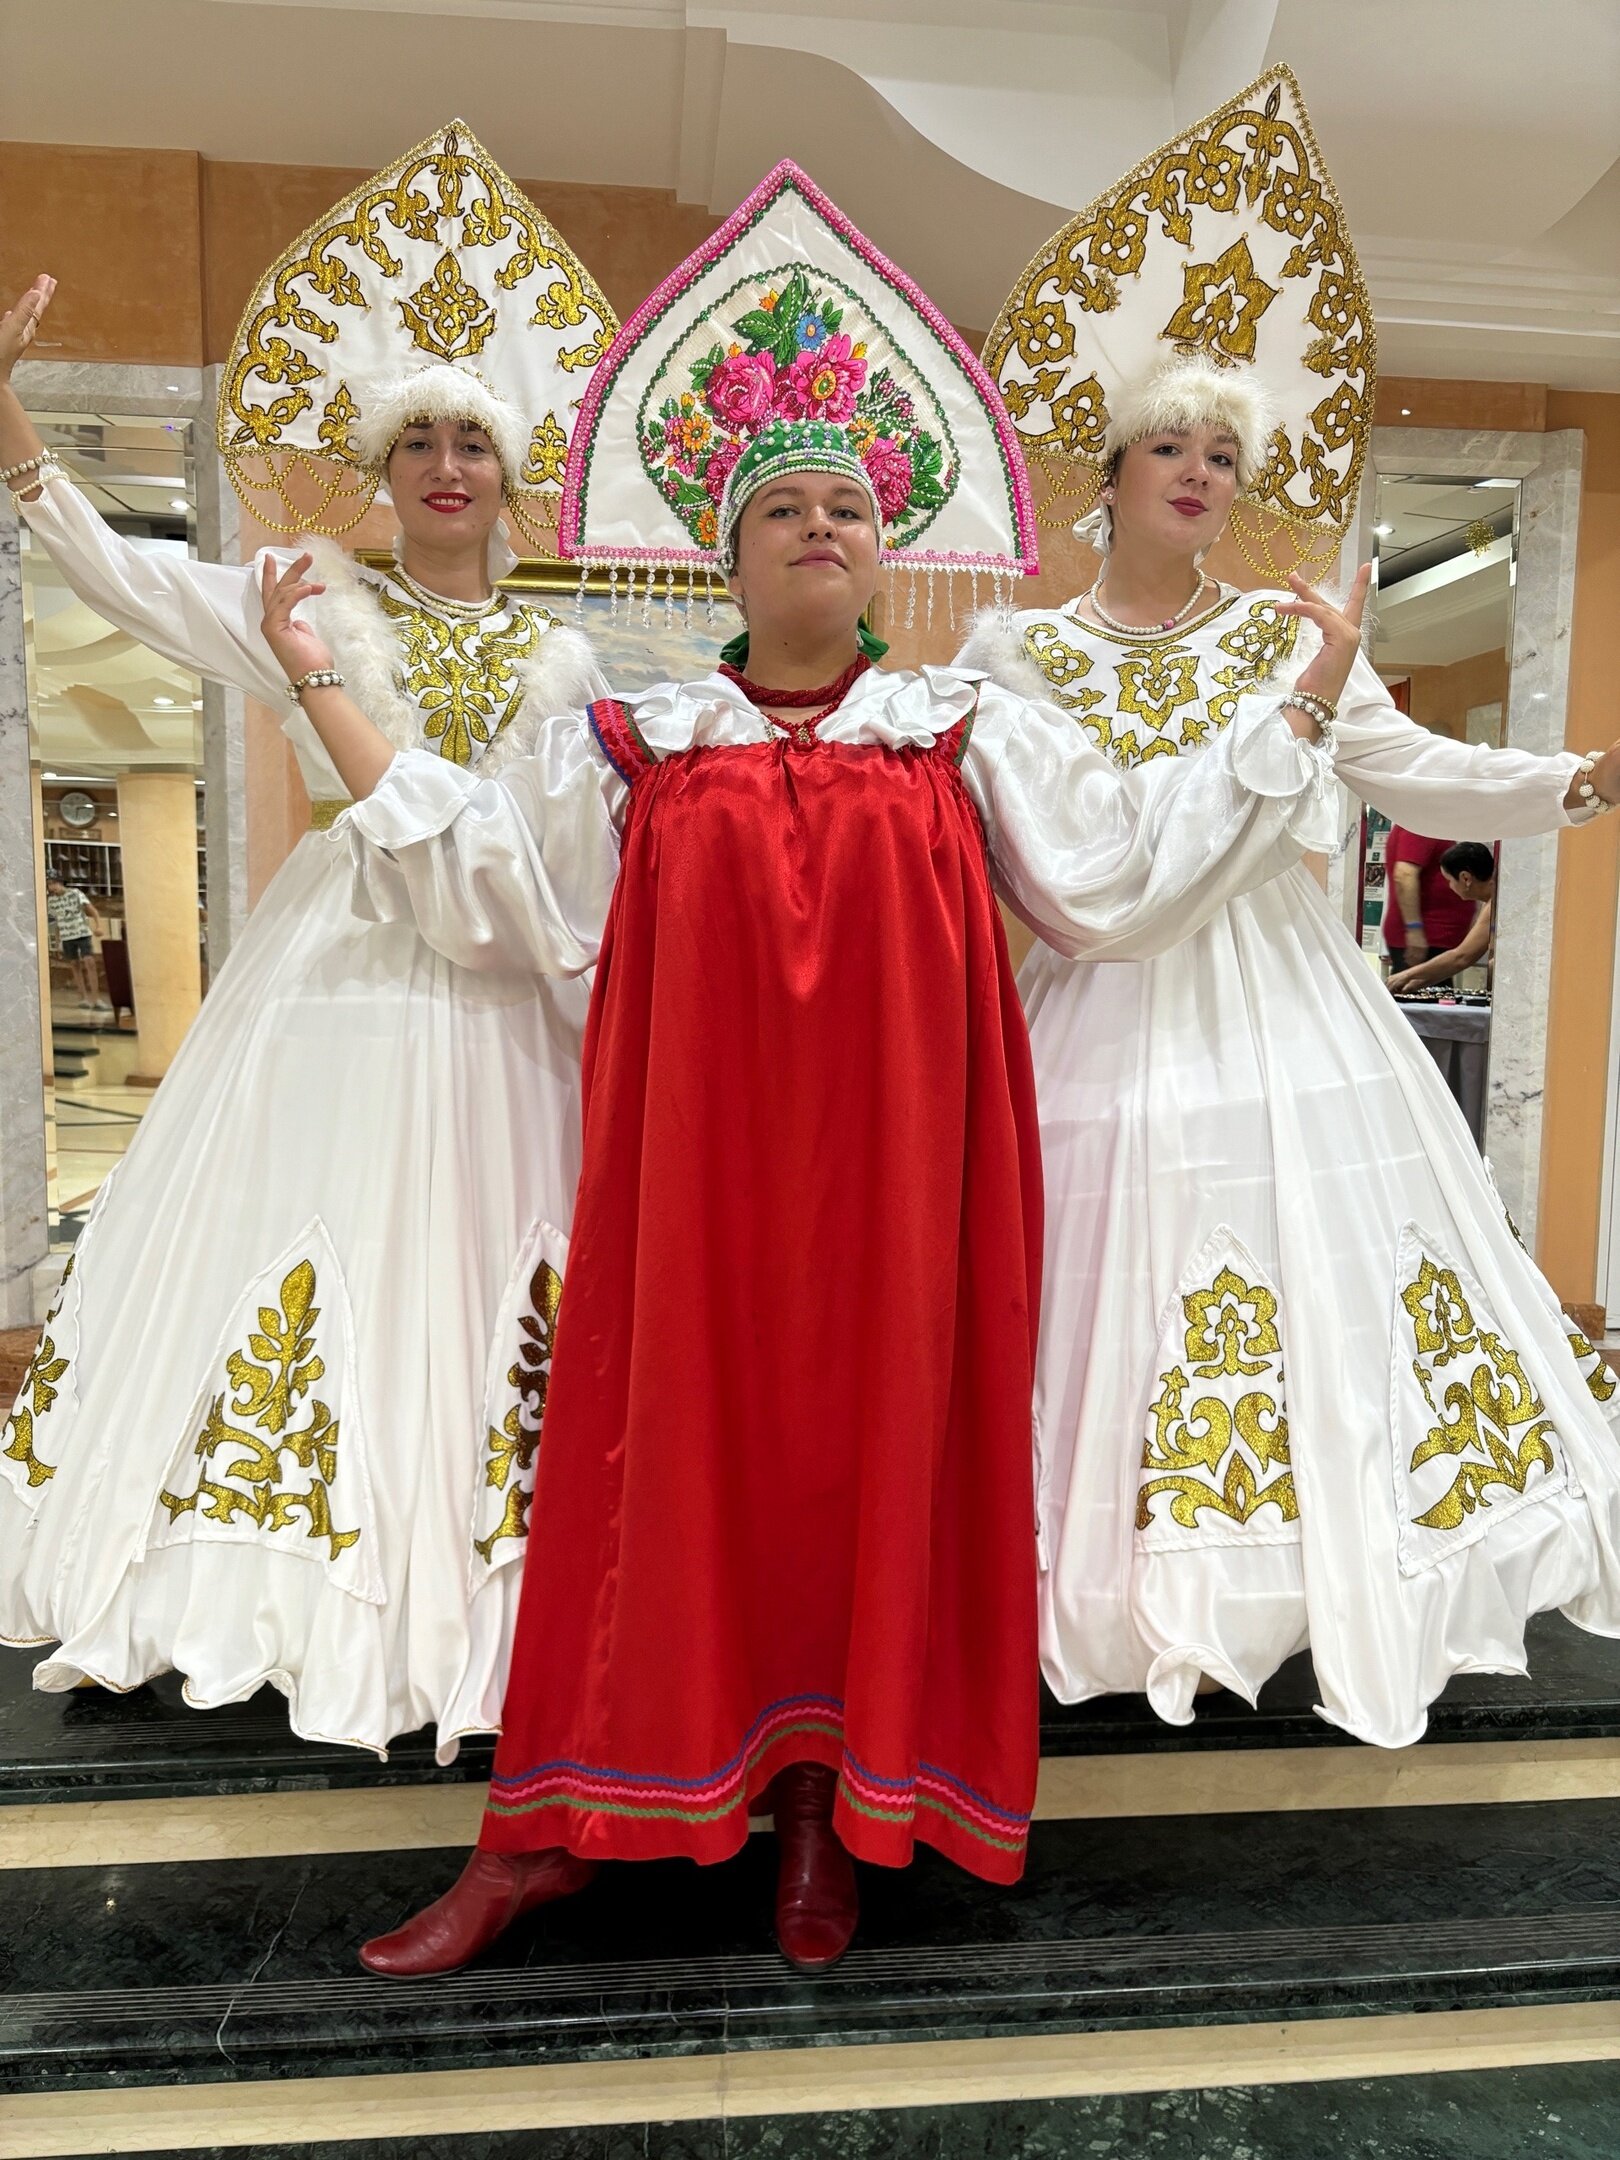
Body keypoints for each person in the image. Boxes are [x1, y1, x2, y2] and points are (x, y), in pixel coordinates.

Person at [248, 159, 1337, 1976]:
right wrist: (317, 684)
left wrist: (1303, 702)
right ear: (728, 553)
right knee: (648, 1480)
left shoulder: (966, 730)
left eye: (850, 506)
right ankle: (549, 1834)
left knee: (870, 1477)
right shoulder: (639, 740)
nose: (820, 526)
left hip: (904, 1197)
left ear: (886, 552)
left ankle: (828, 1808)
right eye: (784, 507)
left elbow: (1125, 883)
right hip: (696, 1197)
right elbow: (491, 879)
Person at [965, 64, 1620, 1750]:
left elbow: (1412, 768)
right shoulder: (1015, 655)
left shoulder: (1285, 635)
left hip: (1279, 998)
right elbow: (1062, 868)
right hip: (1098, 1011)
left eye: (1224, 453)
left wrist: (1576, 780)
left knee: (1318, 1273)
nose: (1200, 471)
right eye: (1169, 445)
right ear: (1107, 470)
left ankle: (1303, 1571)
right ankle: (1090, 1576)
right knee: (1093, 1276)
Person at [0, 123, 618, 1756]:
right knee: (318, 1233)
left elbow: (568, 858)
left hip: (501, 994)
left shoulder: (565, 663)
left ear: (508, 472)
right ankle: (265, 1564)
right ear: (383, 467)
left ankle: (500, 1566)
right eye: (418, 443)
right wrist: (10, 421)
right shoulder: (306, 600)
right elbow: (125, 579)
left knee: (499, 1257)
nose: (445, 468)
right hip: (336, 978)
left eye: (470, 443)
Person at [1388, 842, 1496, 993]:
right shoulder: (1490, 900)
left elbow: (1462, 957)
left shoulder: (1495, 902)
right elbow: (1460, 960)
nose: (1449, 886)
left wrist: (1407, 974)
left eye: (1449, 880)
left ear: (1465, 878)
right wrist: (1416, 983)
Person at [1383, 824, 1477, 981]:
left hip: (1434, 942)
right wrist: (1414, 929)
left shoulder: (1428, 825)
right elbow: (1405, 875)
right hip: (1424, 942)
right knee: (1416, 993)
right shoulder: (1419, 824)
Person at [44, 874, 105, 1008]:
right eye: (49, 884)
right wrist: (54, 944)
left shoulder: (76, 893)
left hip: (82, 933)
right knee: (74, 965)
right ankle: (83, 998)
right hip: (67, 936)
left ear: (60, 882)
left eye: (54, 883)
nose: (52, 887)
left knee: (89, 962)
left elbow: (92, 911)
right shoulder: (51, 901)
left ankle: (96, 999)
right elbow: (53, 924)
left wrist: (99, 926)